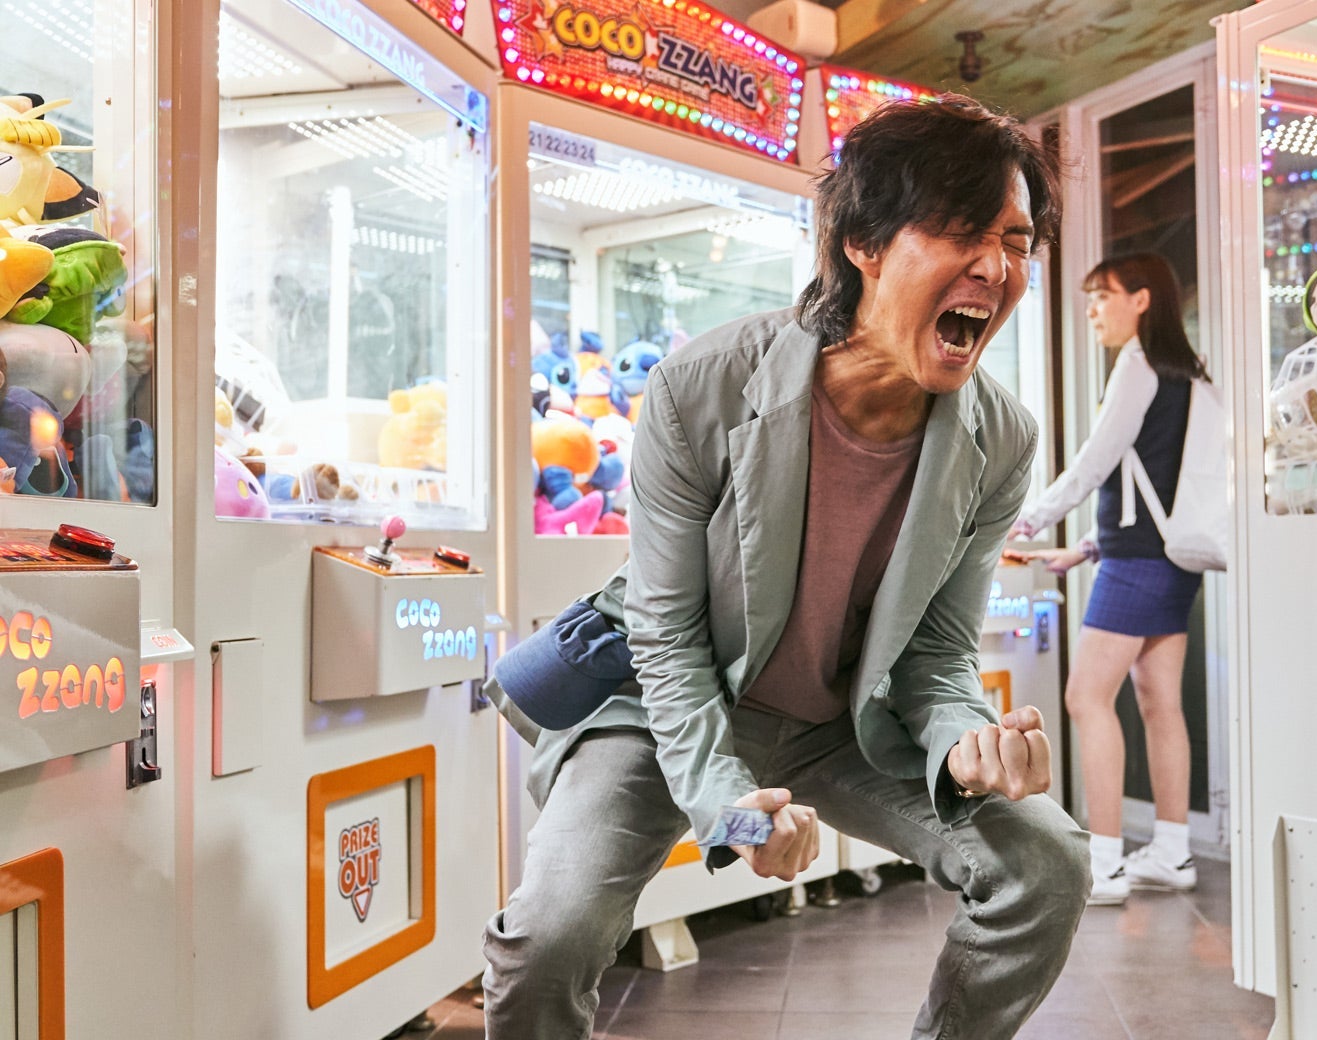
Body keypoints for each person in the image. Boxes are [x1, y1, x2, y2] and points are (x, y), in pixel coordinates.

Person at [482, 95, 1092, 1040]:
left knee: (1045, 861)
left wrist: (968, 739)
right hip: (659, 706)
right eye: (962, 231)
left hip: (840, 726)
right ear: (863, 242)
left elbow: (937, 652)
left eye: (1015, 241)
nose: (997, 267)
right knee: (550, 935)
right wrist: (729, 809)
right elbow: (666, 634)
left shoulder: (1002, 439)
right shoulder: (702, 386)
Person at [1009, 252, 1208, 907]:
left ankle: (1104, 863)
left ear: (1143, 300)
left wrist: (1032, 520)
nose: (1092, 309)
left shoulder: (1138, 364)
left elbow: (1097, 461)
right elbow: (1152, 481)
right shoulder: (1190, 373)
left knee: (1085, 697)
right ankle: (1173, 852)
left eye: (1103, 296)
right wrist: (1087, 547)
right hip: (1169, 559)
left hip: (1137, 564)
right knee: (1159, 703)